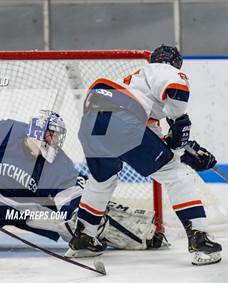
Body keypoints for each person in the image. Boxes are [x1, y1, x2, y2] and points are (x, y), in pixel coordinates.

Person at [66, 45, 222, 266]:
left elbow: (151, 139)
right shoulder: (164, 69)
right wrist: (179, 120)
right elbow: (177, 89)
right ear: (174, 62)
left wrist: (180, 148)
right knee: (176, 174)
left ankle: (84, 238)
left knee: (102, 180)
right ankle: (200, 239)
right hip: (123, 118)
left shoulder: (136, 83)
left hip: (92, 121)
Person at [0, 111, 165, 253]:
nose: (55, 141)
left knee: (82, 223)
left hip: (30, 215)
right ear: (37, 130)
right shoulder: (3, 132)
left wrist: (80, 217)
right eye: (51, 134)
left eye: (57, 137)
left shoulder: (59, 166)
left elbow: (70, 199)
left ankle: (140, 233)